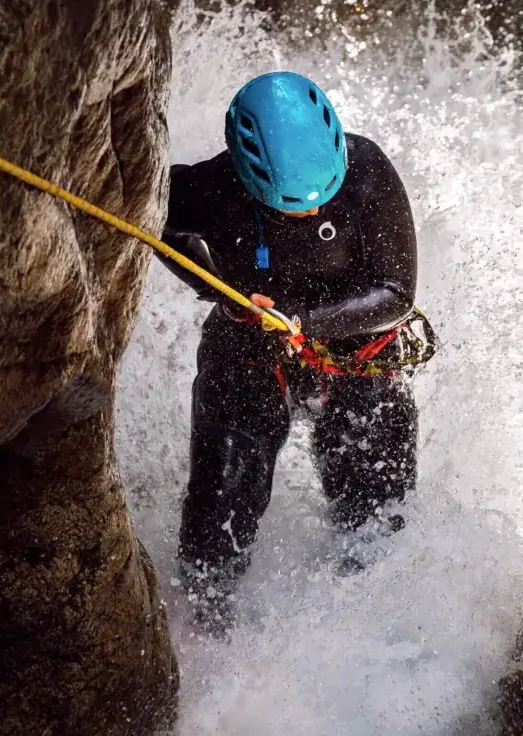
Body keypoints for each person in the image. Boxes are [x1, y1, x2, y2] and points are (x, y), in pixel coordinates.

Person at [158, 71, 422, 632]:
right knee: (217, 520)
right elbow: (152, 217)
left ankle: (370, 640)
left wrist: (302, 322)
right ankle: (209, 635)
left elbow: (396, 294)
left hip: (357, 360)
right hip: (247, 355)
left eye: (318, 199)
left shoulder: (368, 173)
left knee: (377, 522)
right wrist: (214, 288)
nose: (307, 214)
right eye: (288, 207)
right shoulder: (214, 186)